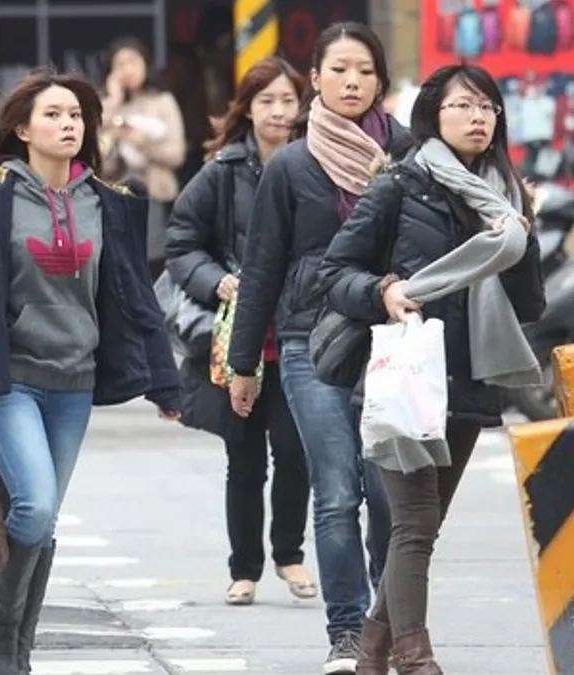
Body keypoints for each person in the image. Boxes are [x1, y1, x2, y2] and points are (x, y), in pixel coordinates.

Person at [0, 67, 183, 675]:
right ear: (21, 128)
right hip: (11, 381)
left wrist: (165, 381)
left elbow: (135, 296)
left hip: (73, 383)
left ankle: (16, 651)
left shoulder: (107, 202)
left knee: (40, 521)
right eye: (53, 114)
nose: (68, 124)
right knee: (36, 507)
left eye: (75, 115)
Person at [316, 64, 544, 674]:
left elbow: (529, 306)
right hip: (406, 376)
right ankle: (415, 659)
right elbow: (334, 273)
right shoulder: (399, 185)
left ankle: (371, 657)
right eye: (464, 106)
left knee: (422, 529)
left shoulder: (508, 195)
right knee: (414, 522)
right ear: (432, 118)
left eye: (488, 107)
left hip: (469, 378)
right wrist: (385, 291)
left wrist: (521, 240)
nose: (478, 117)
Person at [224, 22, 410, 674]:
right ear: (317, 80)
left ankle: (389, 628)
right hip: (308, 341)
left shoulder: (411, 156)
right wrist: (244, 361)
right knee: (336, 490)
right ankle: (346, 635)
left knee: (391, 495)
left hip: (391, 342)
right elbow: (263, 266)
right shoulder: (293, 165)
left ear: (381, 81)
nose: (352, 81)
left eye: (364, 70)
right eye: (339, 69)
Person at [165, 56, 315, 606]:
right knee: (245, 456)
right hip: (242, 340)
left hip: (301, 332)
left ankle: (291, 555)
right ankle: (244, 567)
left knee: (297, 452)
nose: (278, 111)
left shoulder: (316, 164)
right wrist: (218, 280)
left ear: (303, 108)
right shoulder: (223, 172)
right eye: (266, 101)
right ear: (247, 110)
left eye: (287, 101)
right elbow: (182, 243)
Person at [98, 37, 187, 278]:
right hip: (115, 195)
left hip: (155, 194)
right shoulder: (107, 107)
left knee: (151, 264)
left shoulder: (162, 101)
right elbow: (97, 160)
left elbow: (177, 154)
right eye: (120, 64)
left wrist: (142, 144)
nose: (128, 70)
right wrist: (113, 104)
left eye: (133, 62)